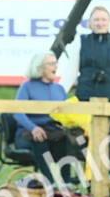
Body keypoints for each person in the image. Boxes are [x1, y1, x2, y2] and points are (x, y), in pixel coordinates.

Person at [60, 5, 110, 165]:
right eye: (96, 19)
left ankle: (108, 189)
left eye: (103, 19)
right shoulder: (81, 42)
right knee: (83, 147)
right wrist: (58, 97)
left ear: (109, 22)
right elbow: (70, 72)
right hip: (85, 100)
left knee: (109, 148)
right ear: (90, 23)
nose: (100, 23)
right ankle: (85, 187)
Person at [11, 52, 78, 188]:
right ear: (39, 68)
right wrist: (33, 128)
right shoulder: (27, 87)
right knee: (40, 140)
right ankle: (49, 183)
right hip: (29, 132)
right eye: (51, 64)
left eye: (56, 63)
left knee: (65, 140)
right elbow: (17, 112)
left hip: (54, 132)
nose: (56, 66)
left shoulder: (59, 89)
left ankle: (66, 183)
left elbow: (66, 115)